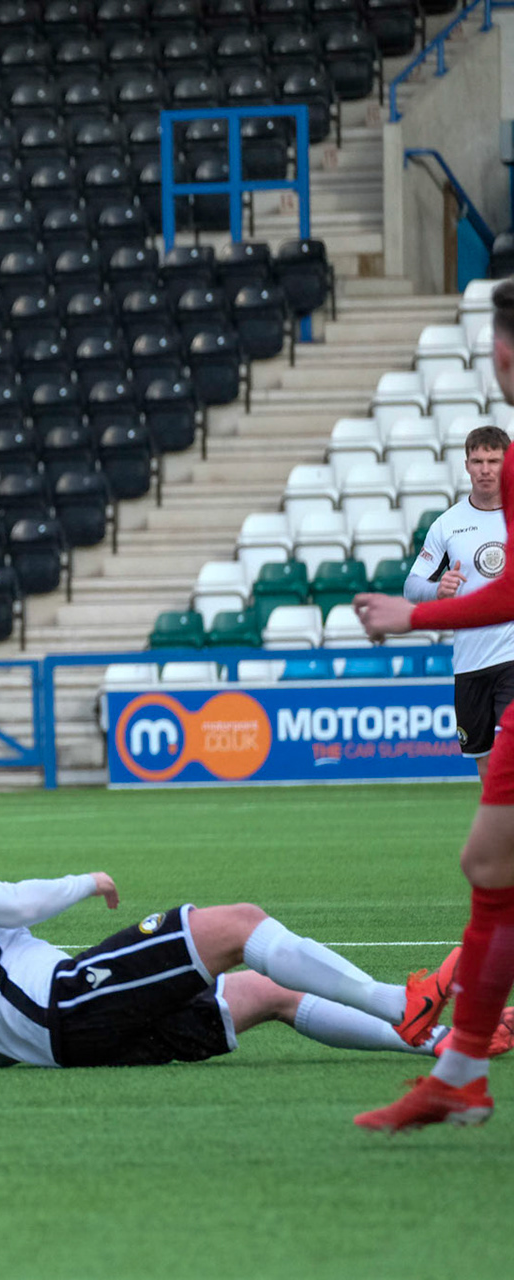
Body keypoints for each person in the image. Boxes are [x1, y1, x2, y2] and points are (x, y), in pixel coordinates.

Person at [0, 798, 506, 1070]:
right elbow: (15, 903)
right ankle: (401, 1003)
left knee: (267, 993)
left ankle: (443, 1043)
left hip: (72, 1045)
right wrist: (87, 880)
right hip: (68, 1001)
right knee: (239, 923)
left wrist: (29, 1043)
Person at [353, 279, 514, 1129]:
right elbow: (446, 579)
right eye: (478, 461)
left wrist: (409, 616)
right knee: (491, 858)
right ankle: (461, 1070)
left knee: (495, 862)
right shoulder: (460, 516)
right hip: (474, 671)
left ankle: (458, 1048)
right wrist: (424, 598)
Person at [403, 424, 513, 778]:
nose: (485, 470)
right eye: (478, 461)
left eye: (494, 461)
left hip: (511, 656)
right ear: (466, 465)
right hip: (470, 662)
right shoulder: (447, 524)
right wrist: (437, 590)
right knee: (484, 762)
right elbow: (411, 586)